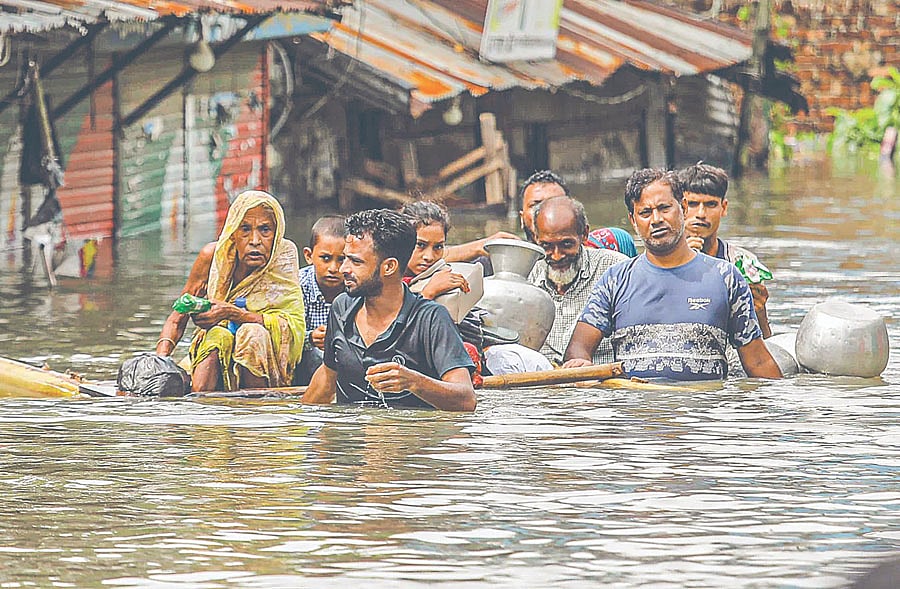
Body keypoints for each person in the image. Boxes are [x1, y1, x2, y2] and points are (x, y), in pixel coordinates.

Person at [563, 169, 782, 381]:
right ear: (633, 220)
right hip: (636, 413)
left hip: (705, 413)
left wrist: (785, 408)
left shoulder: (726, 277)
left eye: (664, 208)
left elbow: (758, 363)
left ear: (683, 208)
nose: (656, 219)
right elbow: (578, 349)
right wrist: (581, 369)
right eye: (645, 213)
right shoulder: (615, 279)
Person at [302, 209, 477, 411]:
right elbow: (327, 378)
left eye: (355, 261)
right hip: (349, 439)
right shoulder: (341, 308)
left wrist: (413, 382)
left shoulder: (431, 319)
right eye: (345, 259)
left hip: (407, 438)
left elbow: (466, 400)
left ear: (389, 267)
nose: (343, 269)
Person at [155, 190, 306, 392]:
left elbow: (293, 327)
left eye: (265, 230)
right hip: (214, 358)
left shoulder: (283, 257)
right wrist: (159, 363)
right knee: (217, 334)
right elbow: (177, 318)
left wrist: (234, 314)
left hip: (268, 365)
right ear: (233, 233)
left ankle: (255, 407)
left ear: (276, 234)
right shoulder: (212, 258)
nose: (255, 240)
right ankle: (201, 405)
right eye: (245, 229)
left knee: (252, 334)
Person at [400, 200, 552, 377]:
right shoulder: (388, 279)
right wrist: (429, 293)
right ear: (403, 241)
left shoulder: (445, 273)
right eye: (420, 245)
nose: (429, 256)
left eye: (438, 247)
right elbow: (395, 333)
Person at [528, 196, 628, 366]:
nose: (557, 255)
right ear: (536, 238)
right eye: (547, 246)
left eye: (566, 244)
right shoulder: (527, 276)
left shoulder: (616, 270)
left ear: (584, 235)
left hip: (599, 384)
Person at [678, 162, 773, 338]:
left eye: (710, 204)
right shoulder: (662, 260)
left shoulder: (742, 262)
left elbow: (765, 341)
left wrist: (759, 311)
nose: (700, 213)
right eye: (692, 204)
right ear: (680, 207)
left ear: (724, 208)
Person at [295, 215, 346, 385]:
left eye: (342, 260)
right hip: (304, 364)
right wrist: (310, 338)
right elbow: (284, 334)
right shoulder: (297, 286)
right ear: (309, 256)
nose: (333, 268)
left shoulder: (357, 287)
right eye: (325, 258)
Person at [519, 169, 570, 243]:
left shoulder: (589, 252)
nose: (544, 212)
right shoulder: (508, 252)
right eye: (535, 205)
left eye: (555, 204)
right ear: (522, 218)